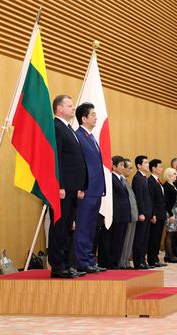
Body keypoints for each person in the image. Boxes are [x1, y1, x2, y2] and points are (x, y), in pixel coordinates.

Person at [50, 95, 87, 278]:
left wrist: (80, 186)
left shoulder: (69, 128)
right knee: (59, 226)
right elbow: (55, 159)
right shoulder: (56, 127)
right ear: (59, 108)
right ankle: (57, 266)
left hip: (73, 188)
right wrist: (60, 185)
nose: (74, 108)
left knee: (68, 227)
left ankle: (67, 263)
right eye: (70, 106)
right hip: (62, 188)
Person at [74, 103, 106, 273]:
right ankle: (82, 261)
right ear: (84, 118)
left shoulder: (91, 137)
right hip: (85, 190)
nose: (96, 117)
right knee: (83, 226)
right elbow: (79, 165)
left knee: (92, 226)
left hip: (95, 190)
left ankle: (90, 260)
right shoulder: (78, 136)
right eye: (93, 114)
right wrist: (80, 186)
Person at [131, 155, 153, 269]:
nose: (148, 165)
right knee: (139, 238)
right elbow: (139, 197)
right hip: (143, 213)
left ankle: (143, 260)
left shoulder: (144, 178)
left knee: (145, 238)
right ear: (139, 165)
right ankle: (138, 261)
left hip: (148, 212)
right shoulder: (138, 178)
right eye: (145, 163)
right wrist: (141, 213)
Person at [110, 156, 132, 269]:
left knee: (121, 240)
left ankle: (117, 262)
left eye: (124, 165)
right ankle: (113, 263)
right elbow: (114, 200)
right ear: (113, 166)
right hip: (118, 216)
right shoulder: (111, 178)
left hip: (124, 215)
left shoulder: (121, 179)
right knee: (116, 239)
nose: (123, 167)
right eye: (121, 165)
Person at [147, 159, 168, 268]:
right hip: (156, 214)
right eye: (159, 167)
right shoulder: (150, 181)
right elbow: (151, 199)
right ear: (153, 168)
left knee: (158, 237)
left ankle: (155, 258)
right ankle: (152, 259)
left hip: (161, 213)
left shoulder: (158, 181)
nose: (161, 169)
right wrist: (153, 214)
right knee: (154, 238)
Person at [118, 158, 139, 269]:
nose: (131, 170)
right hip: (127, 215)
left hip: (132, 214)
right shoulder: (121, 181)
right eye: (129, 168)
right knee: (125, 240)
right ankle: (122, 262)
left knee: (129, 241)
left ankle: (126, 261)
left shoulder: (125, 181)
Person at [163, 167, 177, 263]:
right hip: (169, 212)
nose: (176, 175)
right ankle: (169, 256)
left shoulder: (173, 185)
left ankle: (169, 254)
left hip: (175, 210)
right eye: (174, 174)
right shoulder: (166, 186)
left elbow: (176, 201)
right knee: (170, 233)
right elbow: (167, 202)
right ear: (169, 175)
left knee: (173, 233)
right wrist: (170, 215)